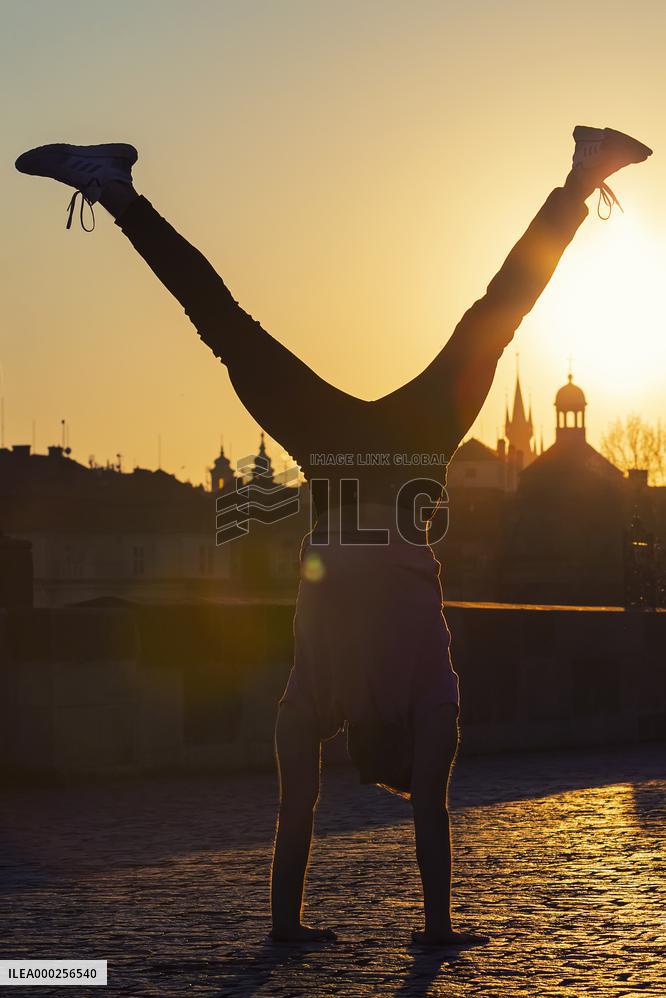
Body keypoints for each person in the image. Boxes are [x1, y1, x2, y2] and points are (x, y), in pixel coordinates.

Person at [15, 125, 651, 946]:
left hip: (391, 459)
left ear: (410, 752)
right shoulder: (319, 701)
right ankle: (117, 191)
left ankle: (579, 174)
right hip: (340, 461)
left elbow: (420, 814)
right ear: (360, 745)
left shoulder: (422, 699)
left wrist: (433, 928)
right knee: (228, 326)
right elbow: (299, 817)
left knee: (493, 317)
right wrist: (298, 926)